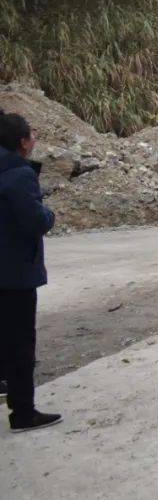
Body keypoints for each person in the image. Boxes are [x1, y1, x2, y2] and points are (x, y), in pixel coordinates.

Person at [0, 109, 62, 432]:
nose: (35, 140)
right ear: (23, 143)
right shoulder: (19, 175)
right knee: (22, 342)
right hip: (15, 272)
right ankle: (23, 412)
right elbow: (36, 221)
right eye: (32, 136)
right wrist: (48, 213)